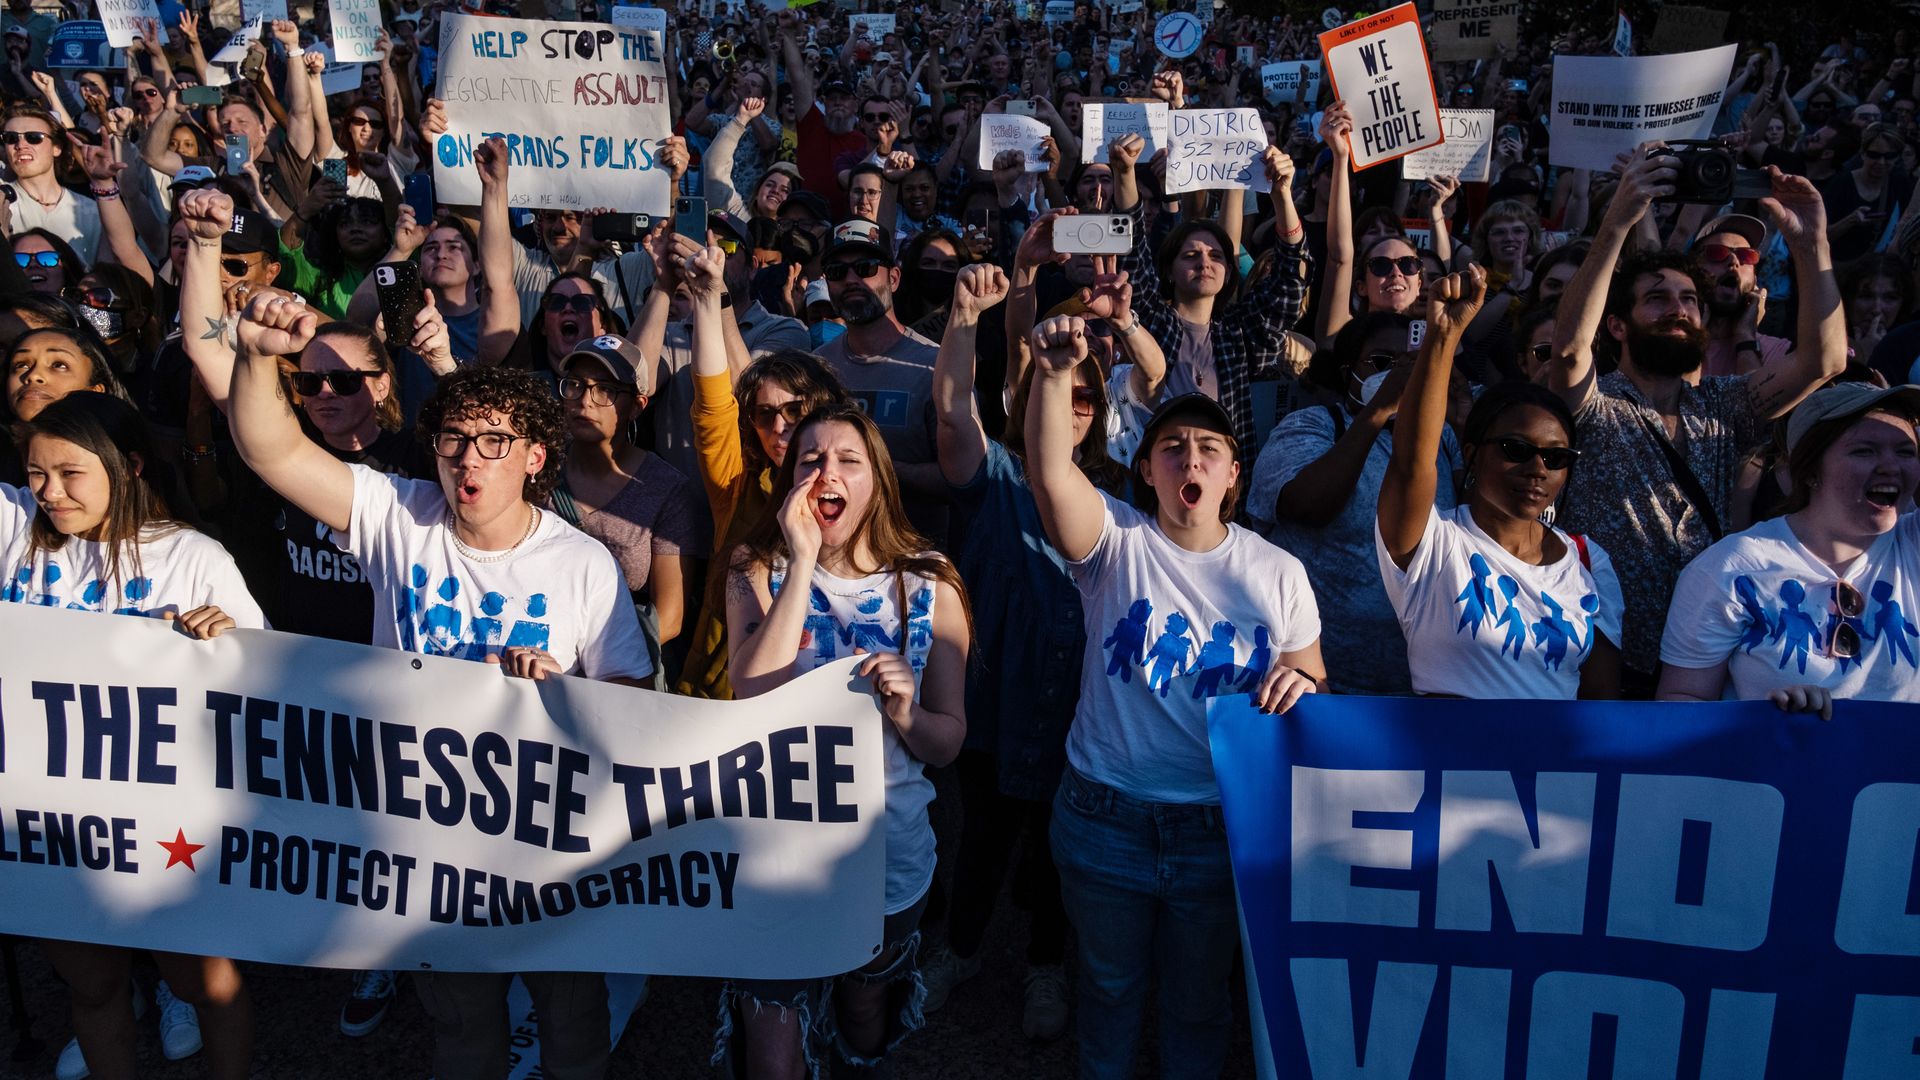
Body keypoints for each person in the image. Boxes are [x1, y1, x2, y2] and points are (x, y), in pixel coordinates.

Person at [223, 292, 653, 1080]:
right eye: (455, 438)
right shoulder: (396, 513)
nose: (469, 459)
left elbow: (632, 694)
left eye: (496, 440)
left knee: (572, 1026)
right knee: (464, 1031)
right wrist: (254, 354)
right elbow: (270, 452)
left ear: (534, 457)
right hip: (431, 839)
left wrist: (565, 688)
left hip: (548, 842)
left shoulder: (581, 563)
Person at [1024, 314, 1323, 1078]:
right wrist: (1055, 372)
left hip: (1222, 830)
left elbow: (1313, 675)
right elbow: (1053, 473)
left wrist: (1305, 683)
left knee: (1197, 1006)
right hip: (1105, 820)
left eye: (1210, 448)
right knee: (1112, 990)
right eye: (1172, 447)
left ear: (1233, 475)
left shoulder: (1279, 572)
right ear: (1148, 470)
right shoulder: (1114, 544)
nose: (1190, 457)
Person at [6, 391, 262, 1080]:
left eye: (69, 473)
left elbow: (266, 689)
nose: (49, 492)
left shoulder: (191, 556)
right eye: (35, 473)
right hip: (50, 820)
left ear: (129, 467)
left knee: (204, 982)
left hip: (163, 820)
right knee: (91, 985)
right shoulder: (14, 532)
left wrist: (228, 644)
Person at [724, 401, 969, 1078]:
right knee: (774, 1063)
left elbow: (947, 742)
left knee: (864, 1019)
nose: (826, 472)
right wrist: (801, 561)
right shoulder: (755, 568)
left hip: (885, 855)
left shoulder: (929, 584)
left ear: (878, 483)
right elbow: (751, 692)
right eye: (810, 460)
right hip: (775, 854)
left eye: (847, 460)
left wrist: (907, 714)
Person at [1548, 149, 1847, 696]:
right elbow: (1568, 349)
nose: (1678, 308)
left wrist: (1811, 244)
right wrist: (1619, 220)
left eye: (1689, 299)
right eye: (1657, 299)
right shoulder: (1591, 406)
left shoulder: (1724, 405)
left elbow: (1824, 361)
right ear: (1616, 325)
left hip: (1706, 654)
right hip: (1602, 658)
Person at [920, 264, 1127, 1036]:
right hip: (995, 694)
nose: (1071, 408)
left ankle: (1045, 965)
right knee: (981, 835)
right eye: (1060, 394)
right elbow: (949, 415)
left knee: (1051, 849)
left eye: (1086, 400)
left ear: (1096, 415)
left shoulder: (1119, 501)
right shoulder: (997, 475)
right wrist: (967, 314)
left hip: (1079, 704)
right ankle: (961, 949)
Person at [1378, 267, 1624, 698]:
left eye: (1556, 457)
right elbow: (1411, 461)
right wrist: (1443, 336)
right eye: (1515, 449)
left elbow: (1601, 710)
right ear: (1472, 453)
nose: (1537, 468)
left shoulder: (1588, 562)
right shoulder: (1434, 545)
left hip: (1551, 766)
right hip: (1450, 765)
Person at [1660, 382, 1920, 712]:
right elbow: (1680, 703)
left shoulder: (1914, 543)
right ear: (1810, 470)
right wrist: (1770, 721)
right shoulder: (1731, 567)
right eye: (1864, 451)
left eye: (1905, 452)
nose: (1891, 466)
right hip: (1775, 761)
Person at [1252, 310, 1462, 695]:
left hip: (1423, 685)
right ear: (1348, 371)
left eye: (1410, 365)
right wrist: (1378, 409)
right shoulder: (1313, 425)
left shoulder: (1443, 440)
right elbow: (1308, 506)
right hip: (1324, 680)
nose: (1398, 374)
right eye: (1381, 363)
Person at [1109, 131, 1311, 460]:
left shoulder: (1239, 334)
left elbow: (1290, 283)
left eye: (1216, 256)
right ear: (1169, 272)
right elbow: (1132, 251)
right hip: (1154, 486)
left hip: (1226, 494)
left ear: (1229, 273)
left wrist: (1282, 196)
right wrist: (1125, 172)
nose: (1205, 261)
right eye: (1190, 255)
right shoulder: (1154, 322)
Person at [552, 334, 697, 687]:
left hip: (622, 678)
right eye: (575, 386)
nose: (585, 400)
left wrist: (585, 662)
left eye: (605, 390)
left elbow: (671, 616)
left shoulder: (666, 488)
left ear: (636, 405)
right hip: (539, 663)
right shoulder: (538, 469)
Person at [813, 219, 949, 542]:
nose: (851, 280)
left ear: (895, 277)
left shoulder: (934, 364)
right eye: (836, 272)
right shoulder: (815, 365)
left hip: (917, 559)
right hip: (835, 560)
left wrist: (883, 469)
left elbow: (962, 477)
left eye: (866, 267)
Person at [1692, 212, 1791, 377]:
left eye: (1746, 256)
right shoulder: (1664, 342)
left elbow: (1754, 401)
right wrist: (1693, 337)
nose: (1734, 261)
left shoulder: (1776, 351)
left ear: (1755, 281)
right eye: (1717, 253)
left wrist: (1745, 336)